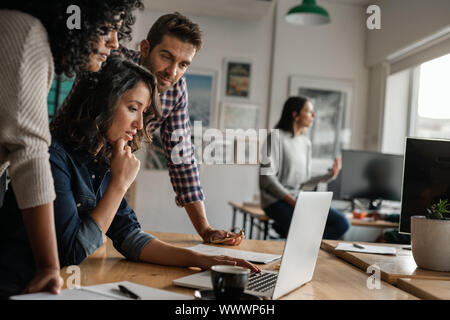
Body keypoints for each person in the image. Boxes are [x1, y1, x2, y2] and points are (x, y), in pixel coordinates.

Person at [0, 58, 260, 299]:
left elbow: (129, 236)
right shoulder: (53, 156)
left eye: (143, 112)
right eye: (133, 108)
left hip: (54, 287)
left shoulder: (104, 157)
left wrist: (202, 260)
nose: (139, 124)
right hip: (18, 287)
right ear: (102, 103)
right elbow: (73, 251)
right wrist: (120, 184)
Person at [0, 0, 143, 297]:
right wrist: (49, 268)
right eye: (106, 28)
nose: (115, 43)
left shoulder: (101, 163)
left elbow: (128, 232)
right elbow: (29, 156)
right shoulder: (28, 36)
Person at [62, 12, 243, 245]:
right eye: (166, 57)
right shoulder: (111, 62)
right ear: (145, 48)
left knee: (111, 244)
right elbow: (68, 113)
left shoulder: (176, 89)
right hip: (67, 168)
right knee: (66, 248)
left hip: (108, 178)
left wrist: (205, 229)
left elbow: (182, 157)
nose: (173, 72)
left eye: (183, 64)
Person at [259, 96, 350, 239]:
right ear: (295, 115)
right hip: (275, 201)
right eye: (308, 111)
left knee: (341, 223)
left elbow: (304, 181)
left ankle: (299, 238)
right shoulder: (275, 138)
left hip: (298, 199)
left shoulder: (305, 142)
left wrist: (329, 176)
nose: (313, 115)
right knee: (307, 227)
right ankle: (297, 237)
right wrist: (293, 202)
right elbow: (266, 179)